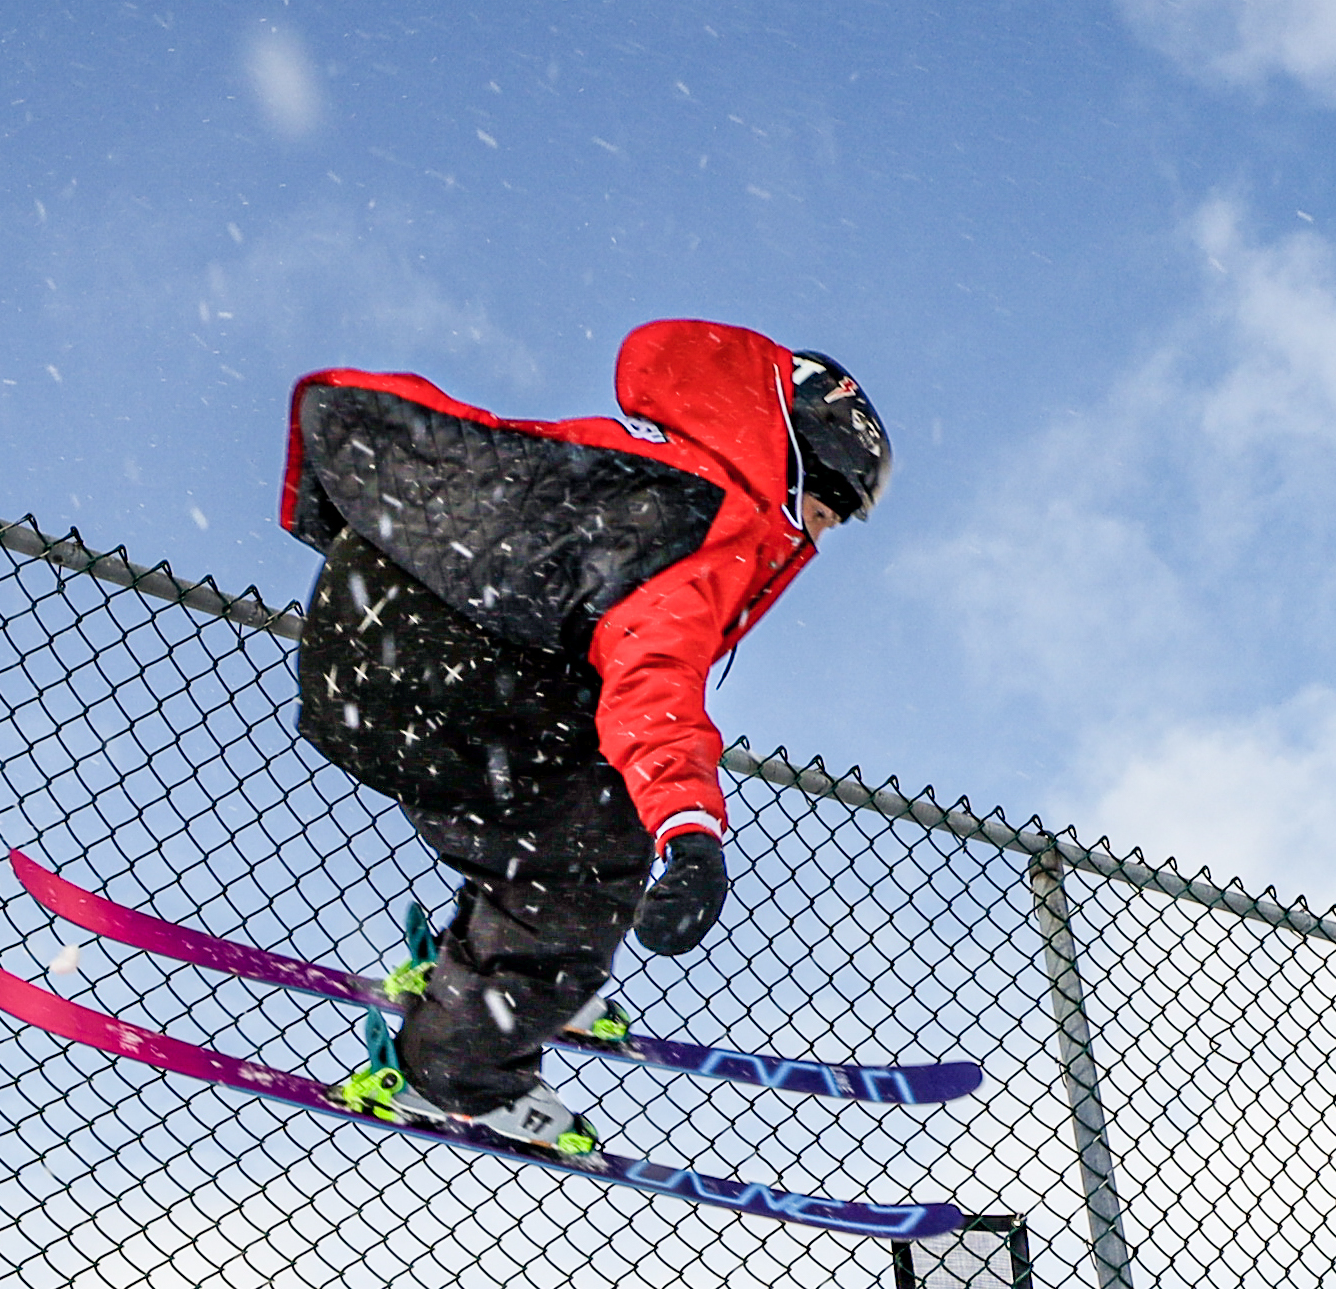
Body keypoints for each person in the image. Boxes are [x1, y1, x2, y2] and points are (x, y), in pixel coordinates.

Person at [278, 317, 893, 1153]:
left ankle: (500, 973)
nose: (816, 540)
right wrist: (692, 836)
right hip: (442, 676)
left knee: (565, 817)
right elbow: (655, 681)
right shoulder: (710, 515)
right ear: (792, 464)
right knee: (594, 858)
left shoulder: (650, 463)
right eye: (822, 513)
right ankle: (457, 1069)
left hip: (378, 661)